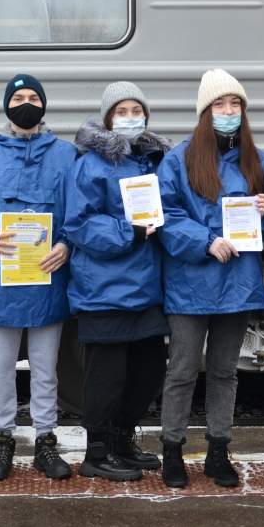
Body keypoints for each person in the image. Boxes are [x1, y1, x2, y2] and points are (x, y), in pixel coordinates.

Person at [156, 70, 264, 488]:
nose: (228, 112)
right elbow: (166, 216)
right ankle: (171, 450)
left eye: (235, 104)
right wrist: (206, 241)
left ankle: (217, 451)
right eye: (219, 105)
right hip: (191, 282)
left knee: (226, 371)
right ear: (204, 112)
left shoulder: (257, 160)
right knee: (183, 369)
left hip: (238, 283)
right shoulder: (179, 159)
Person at [0, 75, 77, 481]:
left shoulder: (66, 156)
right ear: (6, 105)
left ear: (44, 106)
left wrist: (67, 245)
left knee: (46, 369)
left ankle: (45, 441)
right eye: (18, 98)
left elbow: (80, 211)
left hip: (47, 275)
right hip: (0, 278)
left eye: (33, 98)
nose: (26, 104)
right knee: (2, 368)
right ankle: (2, 440)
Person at [64, 81, 173, 481]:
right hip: (104, 289)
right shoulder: (90, 164)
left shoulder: (153, 161)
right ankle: (95, 452)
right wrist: (132, 231)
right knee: (105, 377)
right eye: (122, 112)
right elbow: (78, 223)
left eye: (136, 111)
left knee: (147, 372)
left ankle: (122, 441)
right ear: (109, 118)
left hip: (146, 287)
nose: (130, 118)